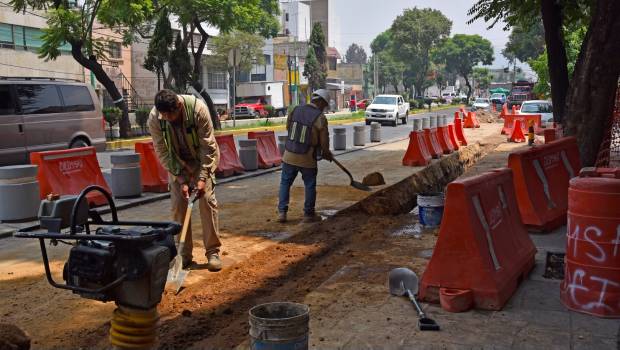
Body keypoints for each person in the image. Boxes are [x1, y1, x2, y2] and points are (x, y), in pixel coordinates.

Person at [148, 89, 222, 271]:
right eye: (163, 115)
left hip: (201, 161)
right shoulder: (155, 118)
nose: (167, 119)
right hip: (177, 164)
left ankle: (212, 252)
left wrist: (202, 178)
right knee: (178, 207)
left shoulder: (198, 110)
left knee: (206, 202)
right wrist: (181, 179)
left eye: (170, 115)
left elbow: (208, 147)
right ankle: (184, 254)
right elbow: (162, 151)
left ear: (179, 106)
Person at [278, 89, 334, 223]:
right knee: (309, 184)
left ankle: (282, 213)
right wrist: (326, 153)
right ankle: (309, 214)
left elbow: (288, 127)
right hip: (307, 157)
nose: (324, 108)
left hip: (289, 155)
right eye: (324, 105)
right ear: (320, 102)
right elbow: (324, 141)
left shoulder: (295, 109)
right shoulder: (320, 117)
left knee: (285, 183)